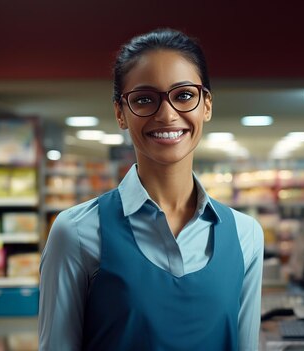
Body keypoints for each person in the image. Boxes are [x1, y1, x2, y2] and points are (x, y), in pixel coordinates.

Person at [38, 28, 264, 350]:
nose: (167, 114)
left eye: (184, 95)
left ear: (207, 105)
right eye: (145, 99)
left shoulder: (246, 235)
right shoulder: (76, 232)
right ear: (120, 112)